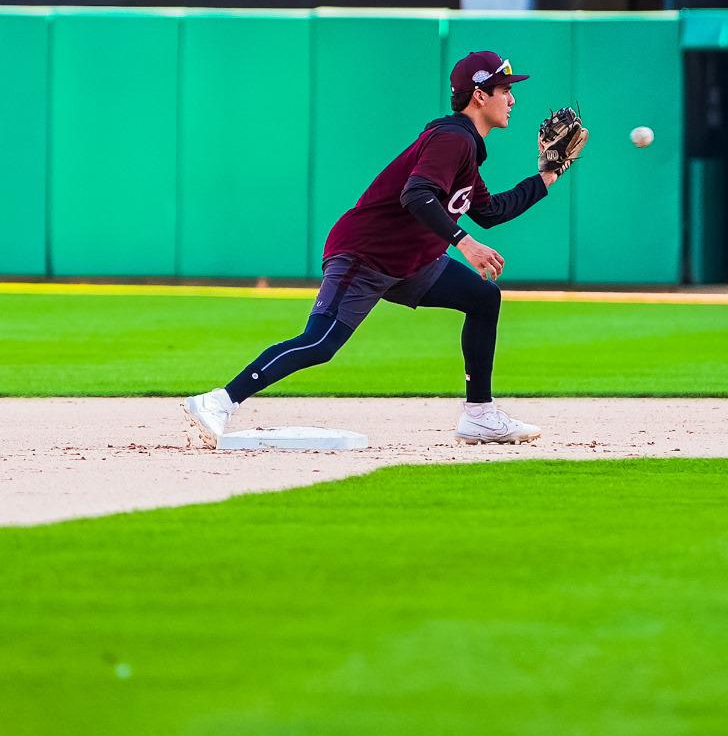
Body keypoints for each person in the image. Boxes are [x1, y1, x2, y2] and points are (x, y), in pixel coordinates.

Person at [183, 52, 584, 447]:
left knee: (482, 298)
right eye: (504, 90)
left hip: (410, 263)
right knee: (320, 342)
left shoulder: (463, 148)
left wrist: (548, 175)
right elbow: (416, 195)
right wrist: (465, 243)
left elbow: (491, 211)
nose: (512, 99)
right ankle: (220, 401)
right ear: (480, 95)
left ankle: (479, 415)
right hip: (365, 255)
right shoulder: (452, 139)